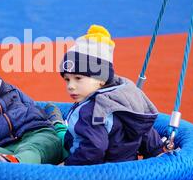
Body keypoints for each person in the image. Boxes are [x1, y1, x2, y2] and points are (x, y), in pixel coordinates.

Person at [50, 24, 166, 166]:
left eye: (78, 78)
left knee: (51, 141)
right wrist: (157, 151)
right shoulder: (124, 98)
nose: (70, 86)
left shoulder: (91, 111)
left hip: (98, 175)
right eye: (67, 79)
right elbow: (142, 128)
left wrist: (67, 166)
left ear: (101, 79)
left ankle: (53, 123)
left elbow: (94, 149)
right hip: (127, 168)